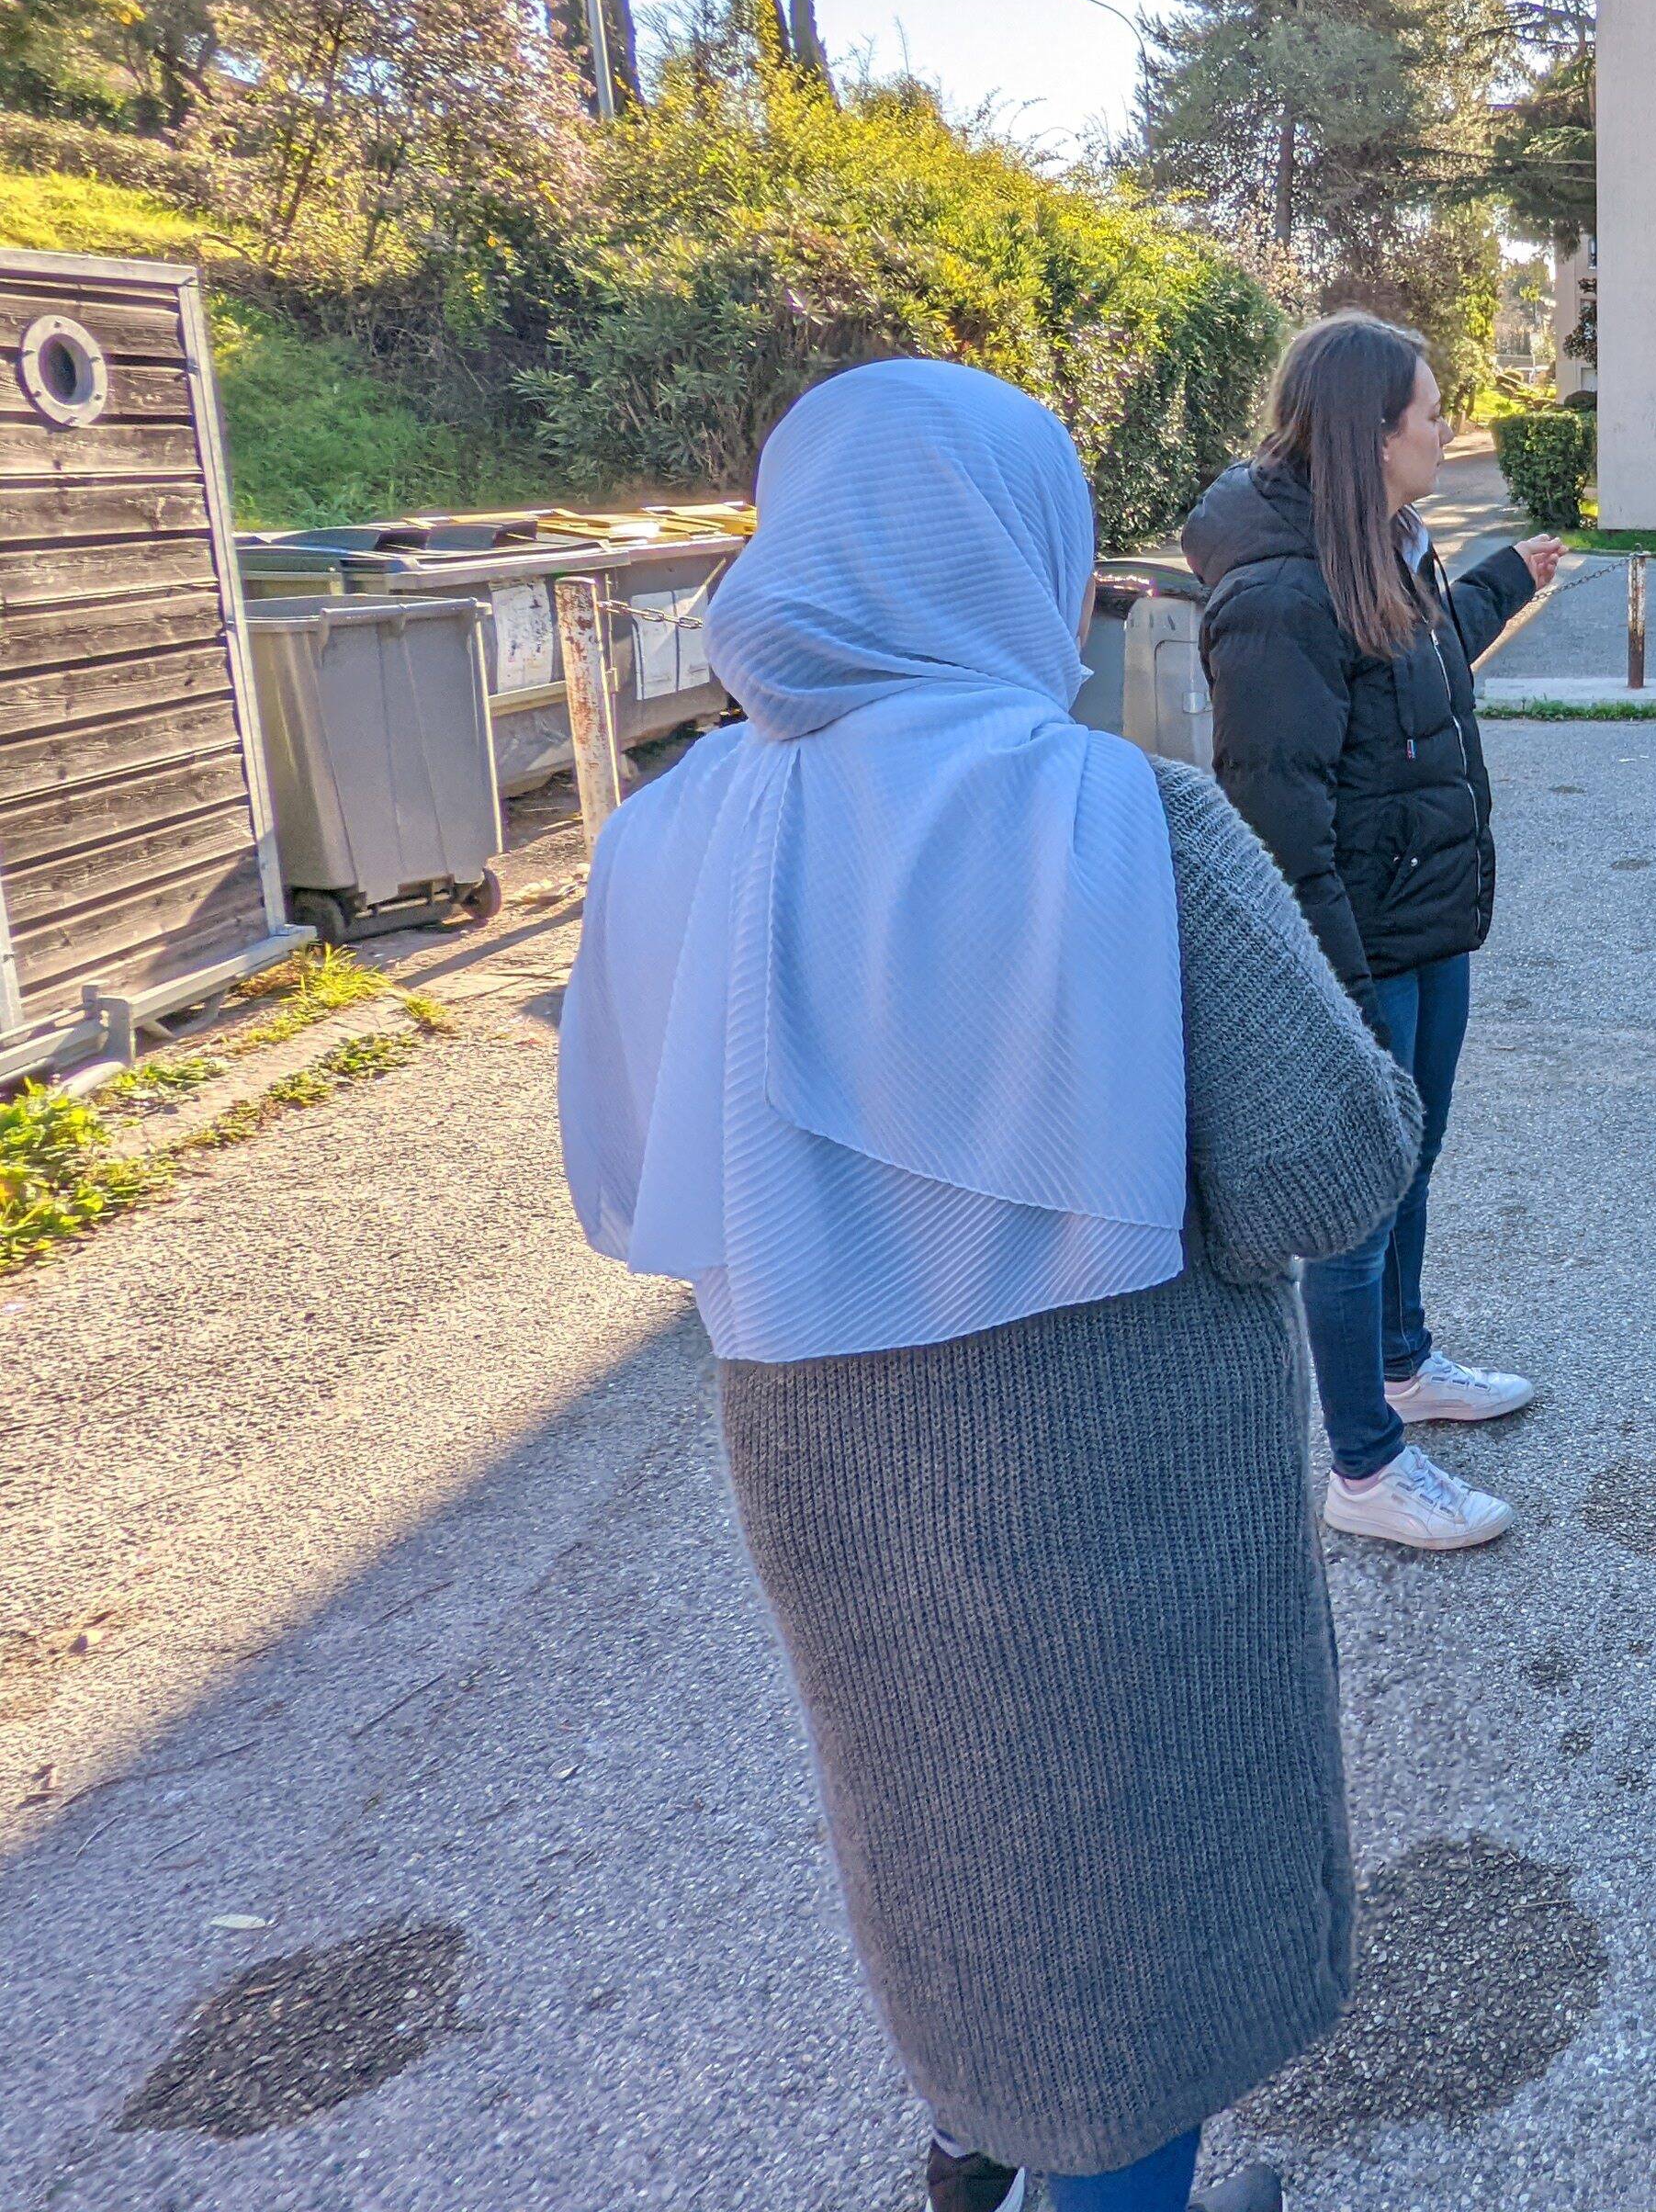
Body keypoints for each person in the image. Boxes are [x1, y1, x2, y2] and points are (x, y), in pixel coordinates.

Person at [557, 360, 1425, 2212]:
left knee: (938, 1840)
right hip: (1118, 1492)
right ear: (1016, 551)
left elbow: (632, 1175)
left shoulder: (661, 836)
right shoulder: (1124, 821)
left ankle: (971, 2136)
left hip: (820, 1465)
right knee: (1134, 1910)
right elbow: (1331, 1167)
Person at [1186, 315, 1563, 1552]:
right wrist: (1338, 994)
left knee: (1412, 1160)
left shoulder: (1387, 547)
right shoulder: (1279, 593)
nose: (1447, 430)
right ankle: (1364, 1466)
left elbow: (1420, 669)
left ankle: (1403, 1365)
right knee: (1356, 1195)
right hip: (1362, 946)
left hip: (1428, 921)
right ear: (1371, 432)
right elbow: (1277, 817)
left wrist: (1507, 579)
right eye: (1431, 412)